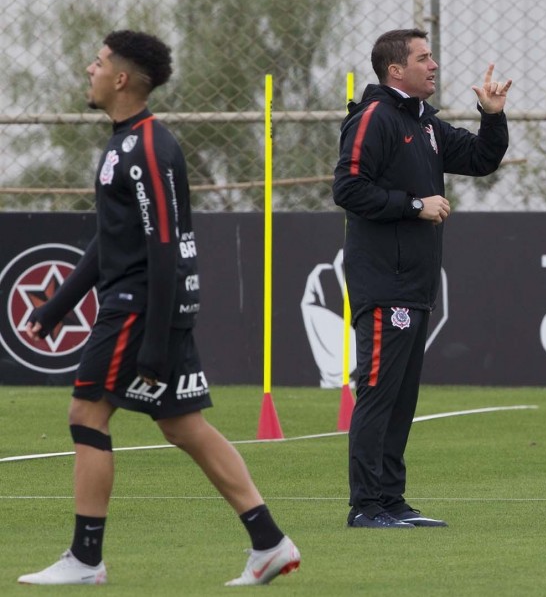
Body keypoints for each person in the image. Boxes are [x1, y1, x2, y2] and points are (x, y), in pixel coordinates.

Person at [17, 30, 300, 586]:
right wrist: (58, 306)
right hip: (144, 306)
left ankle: (86, 560)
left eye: (97, 62)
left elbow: (164, 246)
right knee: (182, 425)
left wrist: (153, 339)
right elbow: (112, 240)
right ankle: (269, 543)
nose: (89, 70)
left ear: (121, 78)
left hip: (139, 308)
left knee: (86, 415)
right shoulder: (123, 144)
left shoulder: (148, 146)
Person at [333, 29, 511, 528]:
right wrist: (415, 205)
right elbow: (347, 187)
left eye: (432, 56)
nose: (434, 64)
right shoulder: (373, 117)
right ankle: (365, 505)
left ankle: (391, 500)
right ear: (395, 70)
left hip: (414, 285)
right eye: (423, 57)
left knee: (401, 396)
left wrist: (492, 117)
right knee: (378, 391)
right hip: (383, 283)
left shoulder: (424, 123)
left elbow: (480, 159)